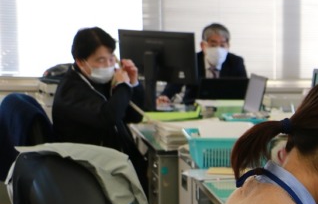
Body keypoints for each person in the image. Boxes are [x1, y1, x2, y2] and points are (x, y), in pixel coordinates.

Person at [52, 26, 148, 189]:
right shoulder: (71, 91)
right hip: (91, 170)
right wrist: (123, 87)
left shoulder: (99, 82)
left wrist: (133, 83)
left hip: (116, 161)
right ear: (81, 62)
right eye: (101, 60)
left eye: (111, 59)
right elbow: (107, 117)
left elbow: (135, 117)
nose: (109, 65)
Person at [158, 22, 247, 106]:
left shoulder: (236, 62)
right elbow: (174, 85)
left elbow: (245, 91)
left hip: (225, 110)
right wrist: (165, 96)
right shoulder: (190, 60)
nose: (218, 50)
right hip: (193, 109)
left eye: (222, 45)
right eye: (213, 45)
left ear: (228, 46)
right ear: (203, 45)